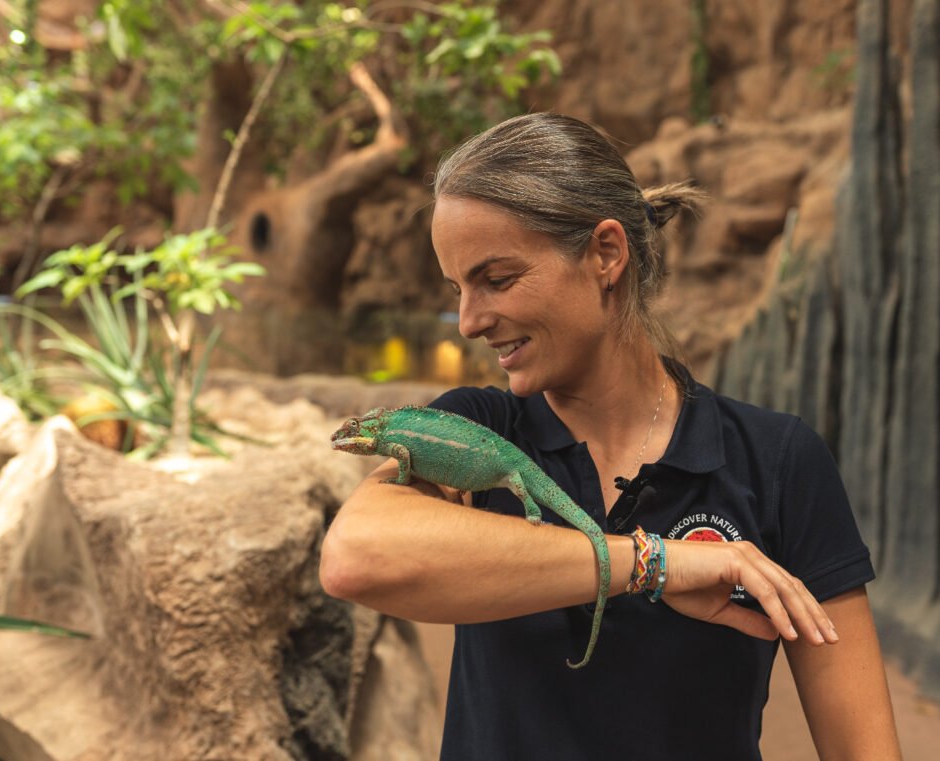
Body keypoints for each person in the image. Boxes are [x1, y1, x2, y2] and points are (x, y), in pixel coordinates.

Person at [320, 112, 902, 760]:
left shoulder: (774, 460)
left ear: (606, 252)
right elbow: (354, 555)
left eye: (497, 279)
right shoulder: (475, 426)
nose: (468, 321)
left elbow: (864, 748)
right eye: (458, 288)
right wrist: (656, 562)